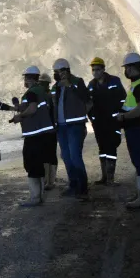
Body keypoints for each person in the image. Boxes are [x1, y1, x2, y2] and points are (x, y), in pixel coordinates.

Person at [10, 66, 56, 205]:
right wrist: (19, 107)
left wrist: (20, 116)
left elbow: (33, 108)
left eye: (25, 77)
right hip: (45, 134)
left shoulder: (31, 92)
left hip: (35, 134)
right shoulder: (42, 91)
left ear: (29, 78)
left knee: (31, 164)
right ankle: (39, 196)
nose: (24, 80)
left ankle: (35, 198)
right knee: (38, 165)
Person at [115, 52, 140, 209]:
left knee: (139, 161)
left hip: (138, 127)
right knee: (137, 160)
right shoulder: (138, 83)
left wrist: (124, 117)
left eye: (126, 68)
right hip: (137, 127)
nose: (126, 71)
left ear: (131, 68)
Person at [51, 58, 92, 200]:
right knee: (67, 157)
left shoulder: (77, 82)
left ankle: (82, 187)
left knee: (75, 156)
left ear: (66, 71)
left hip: (75, 126)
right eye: (55, 72)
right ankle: (73, 184)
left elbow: (87, 99)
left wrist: (69, 86)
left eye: (58, 71)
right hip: (61, 127)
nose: (56, 74)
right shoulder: (56, 86)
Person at [87, 57, 127, 186]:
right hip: (99, 123)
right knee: (102, 148)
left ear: (103, 69)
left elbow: (122, 99)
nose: (95, 72)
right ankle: (104, 177)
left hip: (112, 121)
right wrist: (92, 118)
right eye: (93, 70)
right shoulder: (91, 85)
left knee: (111, 147)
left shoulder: (114, 81)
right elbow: (88, 104)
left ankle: (110, 178)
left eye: (98, 69)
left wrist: (119, 115)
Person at [38, 72, 58, 189]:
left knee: (49, 154)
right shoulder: (45, 96)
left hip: (50, 130)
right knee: (47, 155)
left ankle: (50, 180)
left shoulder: (49, 96)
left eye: (43, 84)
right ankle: (48, 179)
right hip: (46, 130)